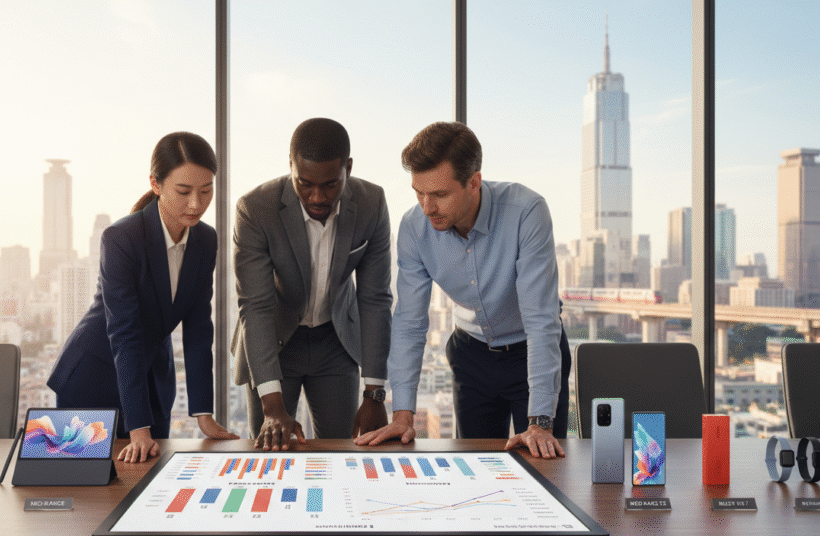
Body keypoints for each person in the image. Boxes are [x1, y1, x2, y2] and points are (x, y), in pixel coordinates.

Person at [355, 121, 571, 459]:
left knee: (543, 465)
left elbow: (541, 320)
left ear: (474, 183)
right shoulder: (414, 228)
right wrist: (403, 414)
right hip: (471, 358)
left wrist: (542, 420)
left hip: (531, 351)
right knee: (476, 470)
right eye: (418, 192)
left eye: (439, 195)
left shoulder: (526, 212)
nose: (426, 208)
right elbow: (410, 322)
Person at [48, 132, 238, 463]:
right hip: (94, 375)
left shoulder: (205, 240)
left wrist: (203, 414)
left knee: (147, 483)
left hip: (152, 381)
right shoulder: (121, 238)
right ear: (156, 184)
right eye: (183, 191)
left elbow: (197, 329)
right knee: (84, 492)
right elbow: (125, 334)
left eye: (206, 191)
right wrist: (138, 429)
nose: (196, 204)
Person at [232, 118, 392, 450]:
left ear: (348, 168)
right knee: (271, 452)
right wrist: (273, 409)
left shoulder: (371, 203)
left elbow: (375, 299)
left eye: (331, 184)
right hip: (273, 341)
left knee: (344, 451)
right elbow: (256, 306)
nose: (317, 196)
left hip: (335, 341)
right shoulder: (255, 209)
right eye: (304, 183)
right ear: (290, 166)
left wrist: (375, 393)